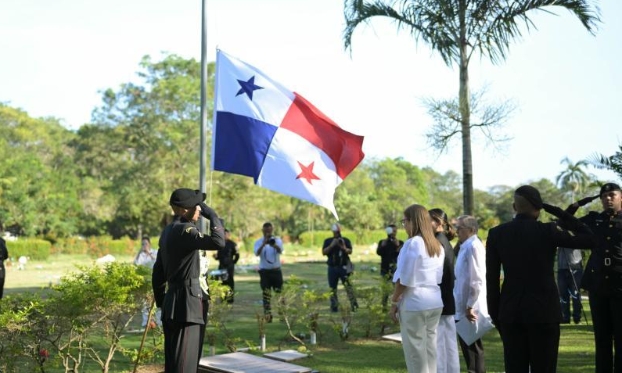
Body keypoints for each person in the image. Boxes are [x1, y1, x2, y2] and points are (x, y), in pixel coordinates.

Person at [486, 185, 597, 373]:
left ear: (514, 207)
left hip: (511, 311)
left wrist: (496, 314)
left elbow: (492, 278)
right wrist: (559, 212)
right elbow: (590, 239)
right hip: (544, 311)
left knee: (514, 367)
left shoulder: (497, 233)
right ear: (539, 208)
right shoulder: (548, 231)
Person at [152, 188, 225, 373]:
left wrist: (163, 302)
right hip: (187, 305)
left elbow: (158, 272)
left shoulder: (168, 231)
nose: (200, 210)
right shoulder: (186, 230)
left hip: (174, 304)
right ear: (184, 209)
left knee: (175, 363)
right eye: (197, 206)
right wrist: (214, 216)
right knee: (185, 365)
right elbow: (219, 242)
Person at [389, 204, 444, 373]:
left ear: (414, 221)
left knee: (415, 353)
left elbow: (404, 279)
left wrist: (394, 302)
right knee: (430, 350)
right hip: (434, 301)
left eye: (404, 221)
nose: (403, 225)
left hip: (415, 302)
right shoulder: (437, 244)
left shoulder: (413, 243)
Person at [579, 183, 622, 373]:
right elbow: (566, 223)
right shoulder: (594, 220)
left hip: (620, 287)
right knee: (602, 338)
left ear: (621, 197)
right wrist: (578, 204)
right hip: (598, 287)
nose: (608, 198)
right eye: (604, 196)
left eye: (612, 195)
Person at [454, 215, 488, 373]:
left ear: (471, 230)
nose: (456, 232)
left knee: (473, 347)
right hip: (463, 303)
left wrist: (470, 305)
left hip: (470, 306)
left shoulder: (474, 246)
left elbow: (477, 279)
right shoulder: (465, 245)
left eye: (459, 228)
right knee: (468, 345)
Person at [429, 208, 460, 373]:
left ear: (439, 223)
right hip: (447, 297)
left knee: (439, 345)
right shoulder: (444, 240)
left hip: (440, 297)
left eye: (429, 220)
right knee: (448, 345)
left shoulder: (437, 242)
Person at [322, 223, 358, 312]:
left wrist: (343, 247)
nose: (336, 233)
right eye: (334, 231)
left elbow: (350, 251)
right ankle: (334, 307)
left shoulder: (345, 240)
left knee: (349, 287)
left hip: (344, 267)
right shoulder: (328, 240)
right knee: (332, 289)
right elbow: (324, 252)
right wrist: (332, 245)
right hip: (332, 268)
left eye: (337, 231)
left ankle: (354, 305)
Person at [254, 222, 284, 322]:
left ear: (272, 230)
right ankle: (268, 317)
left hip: (276, 271)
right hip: (265, 272)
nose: (268, 232)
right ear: (263, 231)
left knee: (279, 294)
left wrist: (274, 245)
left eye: (269, 230)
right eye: (266, 231)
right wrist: (264, 244)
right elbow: (257, 254)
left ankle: (282, 316)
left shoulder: (277, 240)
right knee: (266, 295)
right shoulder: (259, 242)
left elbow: (281, 251)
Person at [134, 235, 161, 328]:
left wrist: (148, 253)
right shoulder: (140, 255)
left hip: (156, 280)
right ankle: (146, 323)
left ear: (149, 244)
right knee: (145, 303)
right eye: (142, 244)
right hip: (145, 282)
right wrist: (139, 253)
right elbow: (135, 265)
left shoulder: (155, 252)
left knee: (157, 302)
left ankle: (158, 322)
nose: (144, 245)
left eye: (145, 243)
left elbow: (158, 262)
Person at [376, 224, 403, 309]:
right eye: (392, 231)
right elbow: (379, 252)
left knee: (396, 289)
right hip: (385, 268)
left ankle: (397, 306)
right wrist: (382, 246)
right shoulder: (382, 242)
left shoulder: (400, 242)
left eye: (395, 231)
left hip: (396, 269)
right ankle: (384, 307)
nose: (393, 233)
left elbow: (402, 255)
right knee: (385, 289)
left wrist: (398, 246)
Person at [557, 247, 584, 324]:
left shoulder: (576, 235)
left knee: (575, 294)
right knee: (563, 295)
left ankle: (577, 317)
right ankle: (565, 317)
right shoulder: (559, 235)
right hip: (562, 268)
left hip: (576, 267)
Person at [214, 229, 240, 303]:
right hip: (221, 266)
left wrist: (233, 263)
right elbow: (218, 256)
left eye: (225, 234)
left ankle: (230, 299)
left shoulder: (233, 244)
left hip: (229, 266)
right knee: (222, 282)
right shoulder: (220, 243)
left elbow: (237, 255)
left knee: (230, 282)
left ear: (229, 235)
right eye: (223, 234)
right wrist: (215, 257)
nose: (224, 235)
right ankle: (223, 299)